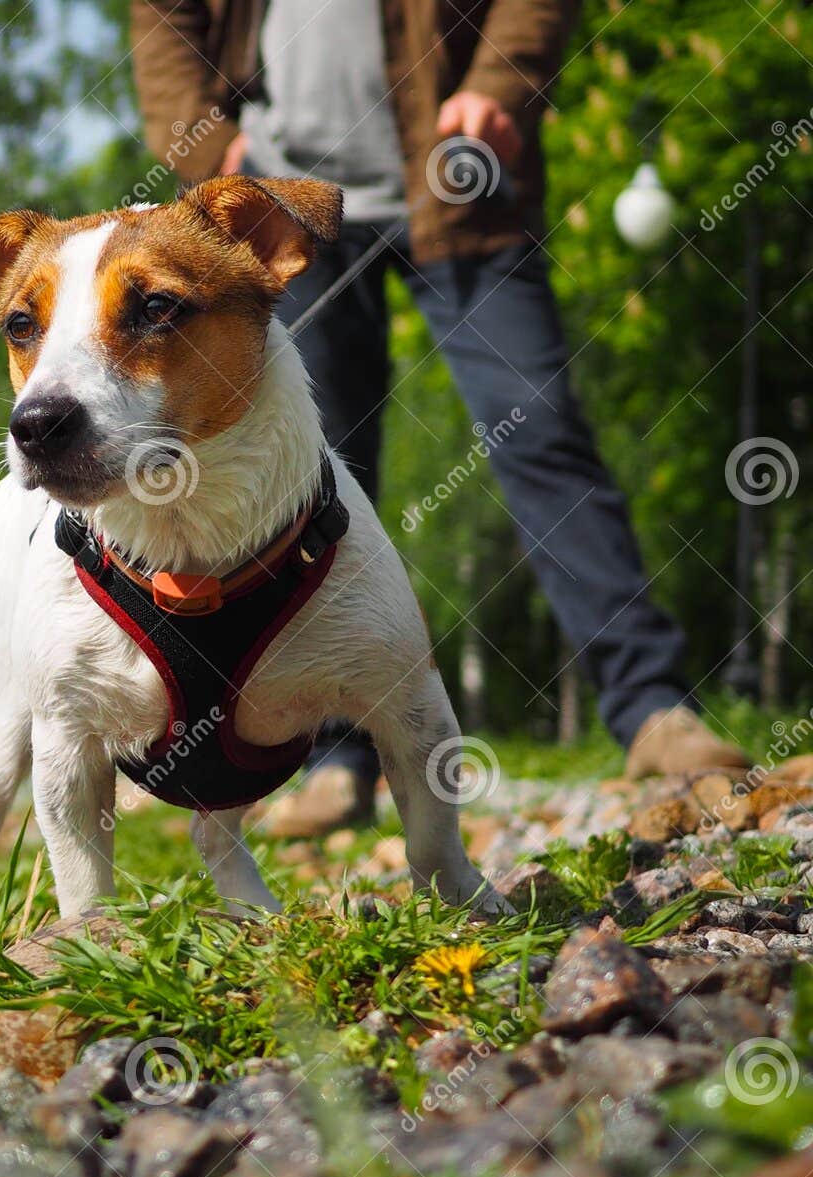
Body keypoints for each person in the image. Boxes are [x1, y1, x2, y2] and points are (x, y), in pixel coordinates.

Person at [131, 0, 751, 835]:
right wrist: (212, 148)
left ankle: (651, 710)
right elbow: (164, 24)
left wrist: (499, 80)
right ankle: (333, 759)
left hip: (461, 188)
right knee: (307, 478)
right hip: (280, 211)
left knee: (538, 432)